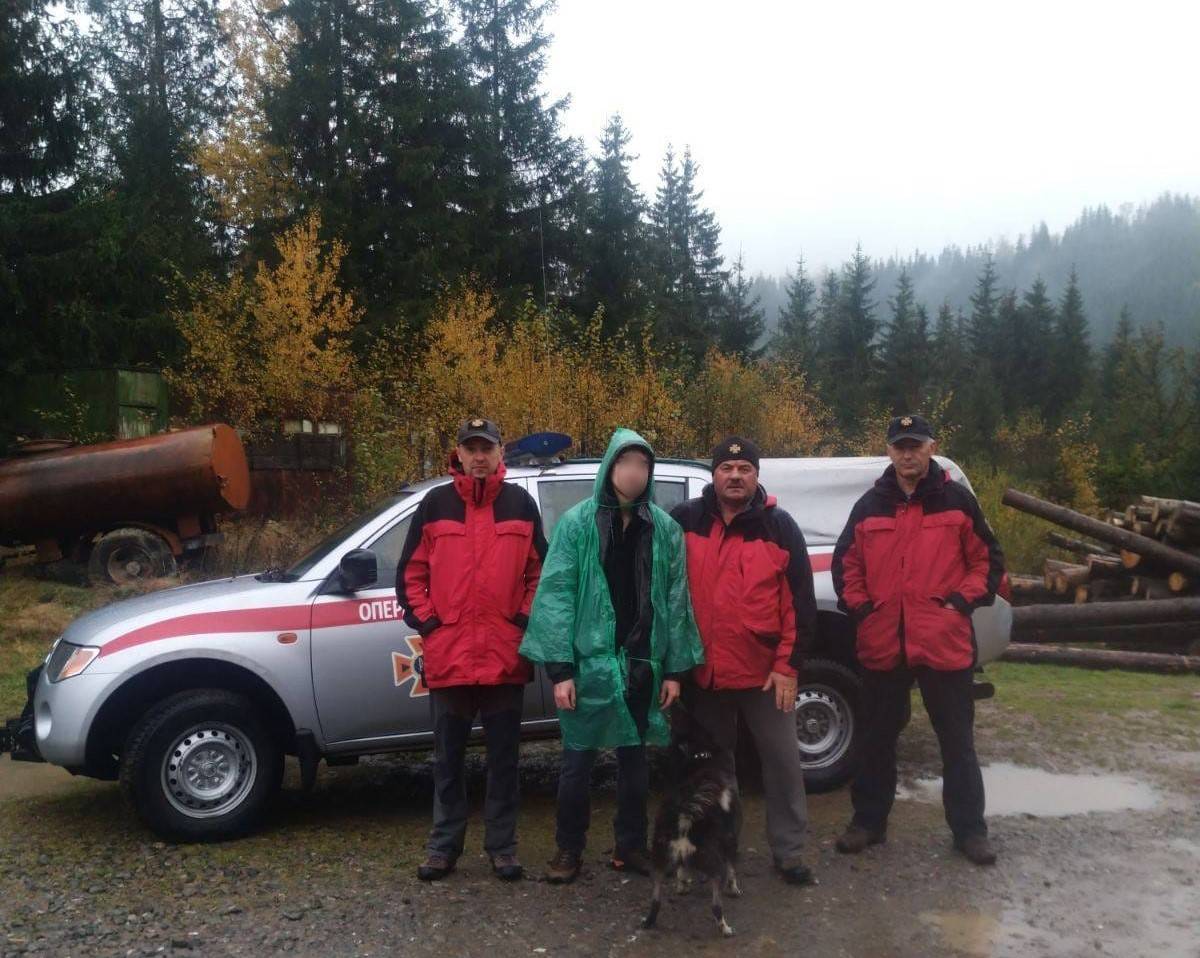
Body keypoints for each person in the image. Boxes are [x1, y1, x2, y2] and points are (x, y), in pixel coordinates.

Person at [520, 428, 704, 884]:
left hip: (641, 665)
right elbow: (557, 595)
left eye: (643, 465)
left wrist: (675, 669)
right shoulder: (578, 524)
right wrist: (560, 670)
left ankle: (630, 846)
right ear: (609, 467)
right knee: (577, 763)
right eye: (626, 463)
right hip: (588, 667)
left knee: (634, 764)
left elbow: (677, 601)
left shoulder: (663, 530)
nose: (635, 473)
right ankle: (568, 849)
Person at [831, 414, 1005, 865]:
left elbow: (986, 561)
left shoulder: (957, 501)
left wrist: (958, 605)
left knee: (957, 742)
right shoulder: (870, 505)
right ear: (889, 451)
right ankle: (868, 823)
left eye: (916, 444)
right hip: (883, 642)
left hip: (942, 643)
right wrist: (864, 611)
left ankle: (970, 831)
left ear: (931, 447)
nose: (907, 453)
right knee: (875, 739)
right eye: (899, 446)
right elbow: (846, 565)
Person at [397, 417, 546, 881]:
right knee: (447, 761)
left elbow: (540, 575)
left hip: (504, 657)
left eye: (487, 448)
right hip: (450, 657)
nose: (479, 457)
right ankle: (444, 847)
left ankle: (503, 847)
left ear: (501, 453)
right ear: (458, 454)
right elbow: (410, 575)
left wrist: (520, 621)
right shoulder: (434, 504)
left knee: (505, 761)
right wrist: (431, 625)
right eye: (471, 448)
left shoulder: (521, 504)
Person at [670, 436, 818, 884]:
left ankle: (790, 852)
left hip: (764, 676)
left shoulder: (780, 527)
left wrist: (787, 666)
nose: (735, 476)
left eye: (745, 469)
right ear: (713, 475)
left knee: (782, 764)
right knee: (714, 773)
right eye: (727, 468)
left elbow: (800, 605)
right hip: (706, 675)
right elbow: (668, 594)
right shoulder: (684, 520)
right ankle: (718, 851)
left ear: (756, 476)